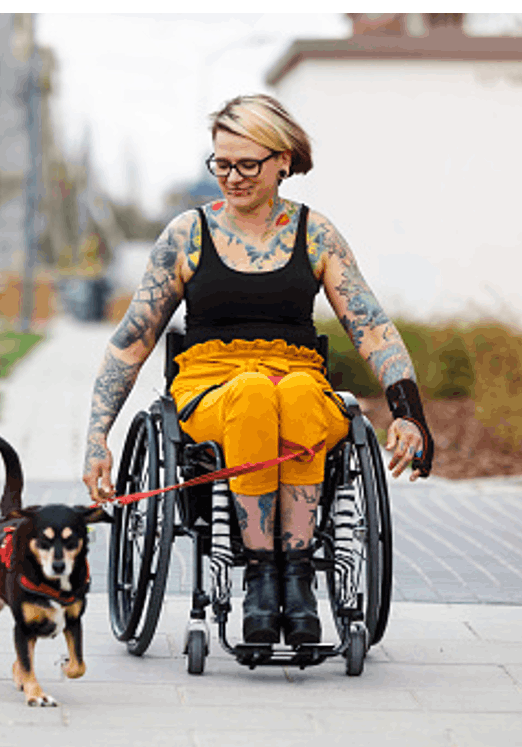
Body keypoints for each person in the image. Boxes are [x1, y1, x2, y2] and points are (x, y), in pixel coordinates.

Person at [82, 94, 433, 647]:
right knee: (250, 392)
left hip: (298, 377)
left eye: (248, 164)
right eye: (221, 163)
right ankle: (260, 574)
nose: (233, 177)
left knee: (293, 393)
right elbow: (132, 340)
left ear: (284, 161)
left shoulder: (316, 234)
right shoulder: (187, 235)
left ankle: (295, 577)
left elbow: (372, 327)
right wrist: (97, 437)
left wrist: (410, 414)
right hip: (210, 387)